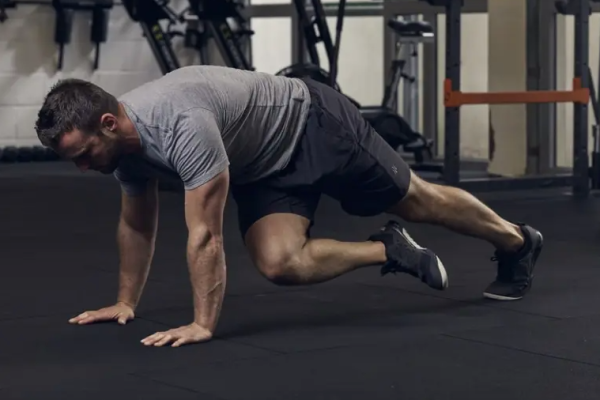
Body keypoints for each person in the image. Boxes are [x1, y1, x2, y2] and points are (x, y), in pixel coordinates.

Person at [35, 65, 543, 348]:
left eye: (83, 156)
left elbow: (205, 235)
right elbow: (136, 224)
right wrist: (126, 302)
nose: (83, 168)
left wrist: (203, 324)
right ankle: (388, 250)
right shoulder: (119, 152)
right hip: (262, 165)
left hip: (313, 125)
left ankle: (517, 241)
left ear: (107, 122)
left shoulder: (179, 124)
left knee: (417, 199)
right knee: (279, 263)